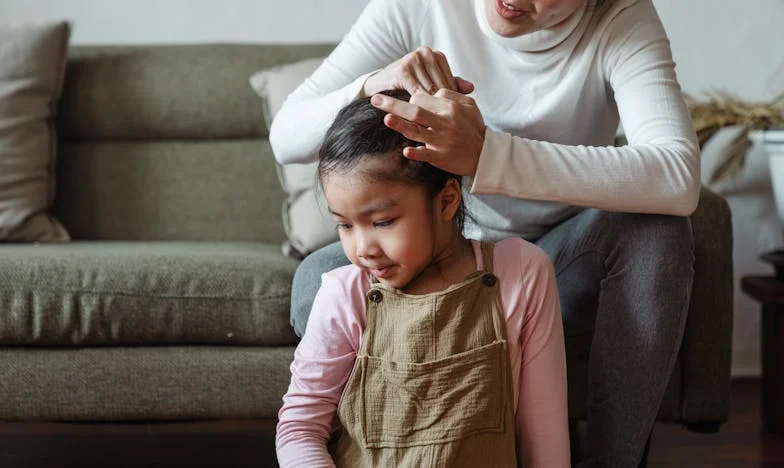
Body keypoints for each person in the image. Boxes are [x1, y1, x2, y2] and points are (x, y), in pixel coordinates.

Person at [270, 0, 698, 466]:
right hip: (435, 239)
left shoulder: (620, 19)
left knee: (658, 233)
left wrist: (487, 155)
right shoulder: (418, 6)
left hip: (559, 256)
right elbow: (286, 136)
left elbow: (677, 175)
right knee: (315, 281)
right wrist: (371, 84)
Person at [275, 90, 570, 467]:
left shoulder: (521, 272)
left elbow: (545, 440)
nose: (362, 249)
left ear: (446, 201)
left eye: (383, 222)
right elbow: (299, 429)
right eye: (344, 226)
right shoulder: (344, 294)